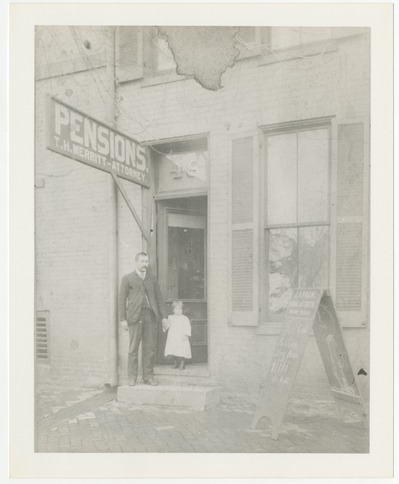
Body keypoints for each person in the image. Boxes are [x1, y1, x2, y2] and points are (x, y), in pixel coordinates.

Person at [119, 252, 168, 386]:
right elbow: (122, 300)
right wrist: (123, 318)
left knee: (149, 348)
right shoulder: (127, 279)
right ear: (136, 262)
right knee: (133, 348)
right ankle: (132, 377)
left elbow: (159, 299)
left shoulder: (152, 279)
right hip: (134, 317)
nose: (145, 264)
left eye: (146, 261)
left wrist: (164, 316)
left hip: (149, 316)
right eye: (142, 261)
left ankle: (148, 377)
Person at [163, 300, 192, 370]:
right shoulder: (171, 318)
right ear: (173, 310)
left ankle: (182, 363)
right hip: (173, 337)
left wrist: (186, 334)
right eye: (176, 309)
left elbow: (187, 326)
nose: (178, 311)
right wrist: (165, 323)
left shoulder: (184, 318)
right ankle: (175, 362)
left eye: (180, 309)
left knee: (181, 349)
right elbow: (166, 326)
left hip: (181, 337)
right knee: (173, 349)